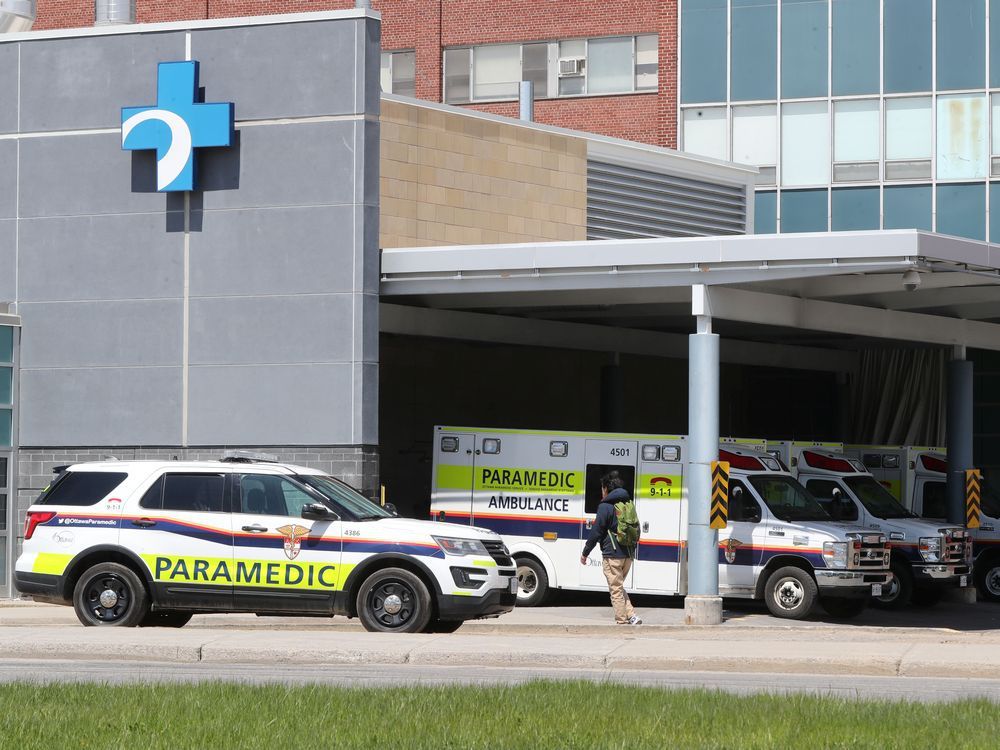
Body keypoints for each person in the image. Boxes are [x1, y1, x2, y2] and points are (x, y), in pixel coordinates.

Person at [580, 471, 641, 625]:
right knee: (618, 586)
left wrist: (585, 552)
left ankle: (621, 621)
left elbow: (596, 532)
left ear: (606, 488)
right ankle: (632, 616)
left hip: (612, 554)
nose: (602, 491)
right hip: (628, 554)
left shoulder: (605, 506)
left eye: (602, 488)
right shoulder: (628, 504)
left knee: (615, 589)